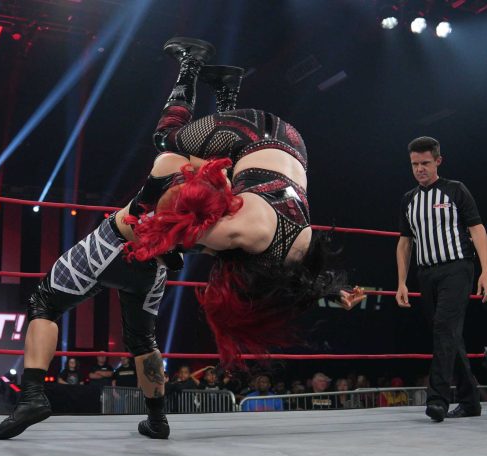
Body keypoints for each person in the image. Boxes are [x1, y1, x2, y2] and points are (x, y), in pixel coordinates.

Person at [0, 37, 362, 442]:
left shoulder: (288, 242)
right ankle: (156, 416)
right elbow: (180, 219)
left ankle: (197, 66)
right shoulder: (241, 233)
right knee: (143, 338)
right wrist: (160, 220)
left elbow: (299, 279)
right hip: (236, 156)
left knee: (45, 301)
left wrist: (336, 291)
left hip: (284, 146)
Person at [123, 37, 367, 364]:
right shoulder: (237, 234)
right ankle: (191, 61)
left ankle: (226, 85)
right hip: (250, 135)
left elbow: (302, 285)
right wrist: (145, 219)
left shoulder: (293, 254)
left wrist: (337, 293)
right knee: (165, 140)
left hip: (293, 144)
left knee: (219, 171)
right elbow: (163, 230)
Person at [395, 136, 487, 422]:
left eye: (425, 163)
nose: (420, 169)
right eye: (415, 164)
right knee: (448, 335)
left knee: (443, 328)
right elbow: (404, 242)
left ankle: (437, 399)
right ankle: (471, 401)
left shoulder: (455, 190)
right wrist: (401, 282)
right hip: (426, 274)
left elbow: (477, 229)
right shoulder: (408, 199)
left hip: (457, 269)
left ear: (438, 161)